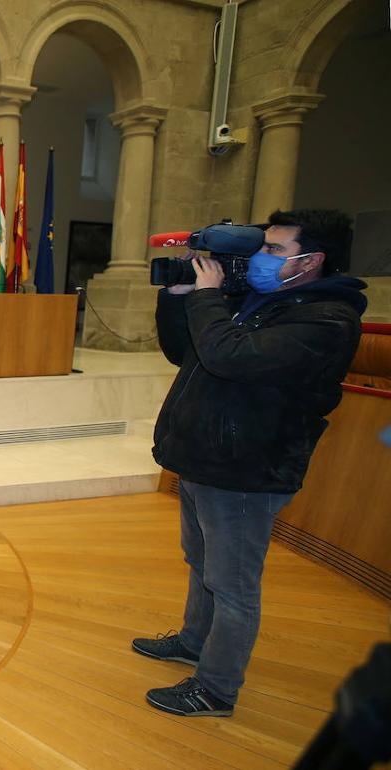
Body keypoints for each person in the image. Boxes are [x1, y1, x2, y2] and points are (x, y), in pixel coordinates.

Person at [136, 209, 367, 717]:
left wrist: (207, 299)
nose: (260, 258)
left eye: (275, 249)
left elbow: (231, 358)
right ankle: (195, 641)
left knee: (234, 584)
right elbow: (188, 352)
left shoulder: (325, 319)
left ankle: (216, 689)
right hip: (207, 457)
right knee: (201, 565)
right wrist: (180, 300)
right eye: (263, 245)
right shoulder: (260, 301)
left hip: (248, 470)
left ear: (313, 261)